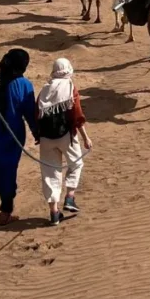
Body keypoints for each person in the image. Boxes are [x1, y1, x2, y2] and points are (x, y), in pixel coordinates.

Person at [0, 49, 38, 226]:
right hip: (13, 135)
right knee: (8, 170)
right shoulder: (24, 85)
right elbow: (30, 113)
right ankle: (5, 210)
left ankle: (5, 208)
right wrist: (36, 132)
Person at [36, 57, 92, 227]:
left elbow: (36, 115)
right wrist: (85, 138)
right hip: (66, 136)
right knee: (76, 163)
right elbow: (77, 117)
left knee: (50, 173)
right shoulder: (70, 88)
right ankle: (70, 196)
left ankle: (54, 213)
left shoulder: (44, 91)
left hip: (46, 138)